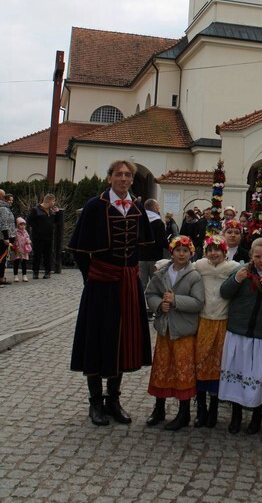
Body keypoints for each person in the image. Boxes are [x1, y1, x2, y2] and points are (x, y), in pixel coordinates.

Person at [68, 160, 154, 426]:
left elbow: (143, 248)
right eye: (118, 174)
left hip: (127, 284)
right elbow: (79, 251)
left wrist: (131, 272)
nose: (123, 179)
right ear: (109, 178)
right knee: (96, 338)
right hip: (100, 284)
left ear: (132, 180)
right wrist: (91, 277)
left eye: (128, 175)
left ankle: (113, 400)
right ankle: (95, 403)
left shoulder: (138, 207)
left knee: (123, 340)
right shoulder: (95, 206)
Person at [218, 238, 262, 435]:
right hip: (237, 332)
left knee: (257, 377)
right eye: (257, 256)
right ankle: (236, 416)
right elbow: (224, 292)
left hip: (260, 334)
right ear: (251, 256)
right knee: (236, 375)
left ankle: (256, 417)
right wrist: (236, 280)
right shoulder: (241, 272)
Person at [145, 235, 205, 430]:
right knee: (162, 367)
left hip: (183, 330)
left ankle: (184, 412)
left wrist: (175, 300)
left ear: (191, 253)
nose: (181, 254)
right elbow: (150, 293)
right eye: (178, 250)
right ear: (172, 252)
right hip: (165, 328)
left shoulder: (193, 275)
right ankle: (159, 408)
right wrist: (158, 305)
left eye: (185, 251)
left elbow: (198, 302)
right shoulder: (161, 273)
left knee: (183, 370)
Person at [192, 235, 239, 428]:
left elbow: (252, 269)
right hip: (203, 321)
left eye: (217, 250)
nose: (213, 254)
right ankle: (200, 407)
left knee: (218, 364)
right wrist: (161, 263)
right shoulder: (200, 266)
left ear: (224, 252)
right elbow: (181, 265)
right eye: (210, 250)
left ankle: (214, 408)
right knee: (201, 362)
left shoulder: (232, 267)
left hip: (222, 321)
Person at [140, 199, 169, 319]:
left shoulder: (139, 219)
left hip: (140, 257)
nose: (159, 209)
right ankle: (153, 309)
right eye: (158, 206)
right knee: (155, 284)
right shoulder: (158, 223)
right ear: (154, 208)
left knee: (141, 285)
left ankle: (140, 308)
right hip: (154, 258)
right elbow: (162, 241)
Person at [27, 193, 58, 279]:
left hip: (48, 237)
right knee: (37, 254)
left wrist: (57, 213)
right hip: (38, 237)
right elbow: (30, 221)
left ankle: (47, 272)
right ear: (50, 201)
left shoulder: (51, 211)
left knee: (48, 254)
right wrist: (38, 229)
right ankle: (35, 272)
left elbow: (56, 222)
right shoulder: (36, 210)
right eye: (53, 201)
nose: (54, 203)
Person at [0, 189, 15, 286]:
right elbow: (4, 223)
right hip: (2, 238)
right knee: (1, 258)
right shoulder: (3, 209)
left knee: (4, 259)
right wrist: (6, 237)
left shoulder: (7, 208)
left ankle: (1, 277)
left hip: (6, 236)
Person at [10, 217, 32, 282]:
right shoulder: (15, 231)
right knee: (16, 262)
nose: (23, 226)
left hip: (24, 249)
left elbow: (28, 237)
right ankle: (15, 275)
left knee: (24, 263)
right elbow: (12, 238)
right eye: (21, 225)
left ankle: (24, 275)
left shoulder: (25, 232)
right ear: (18, 225)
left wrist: (28, 241)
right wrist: (14, 241)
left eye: (24, 225)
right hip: (17, 249)